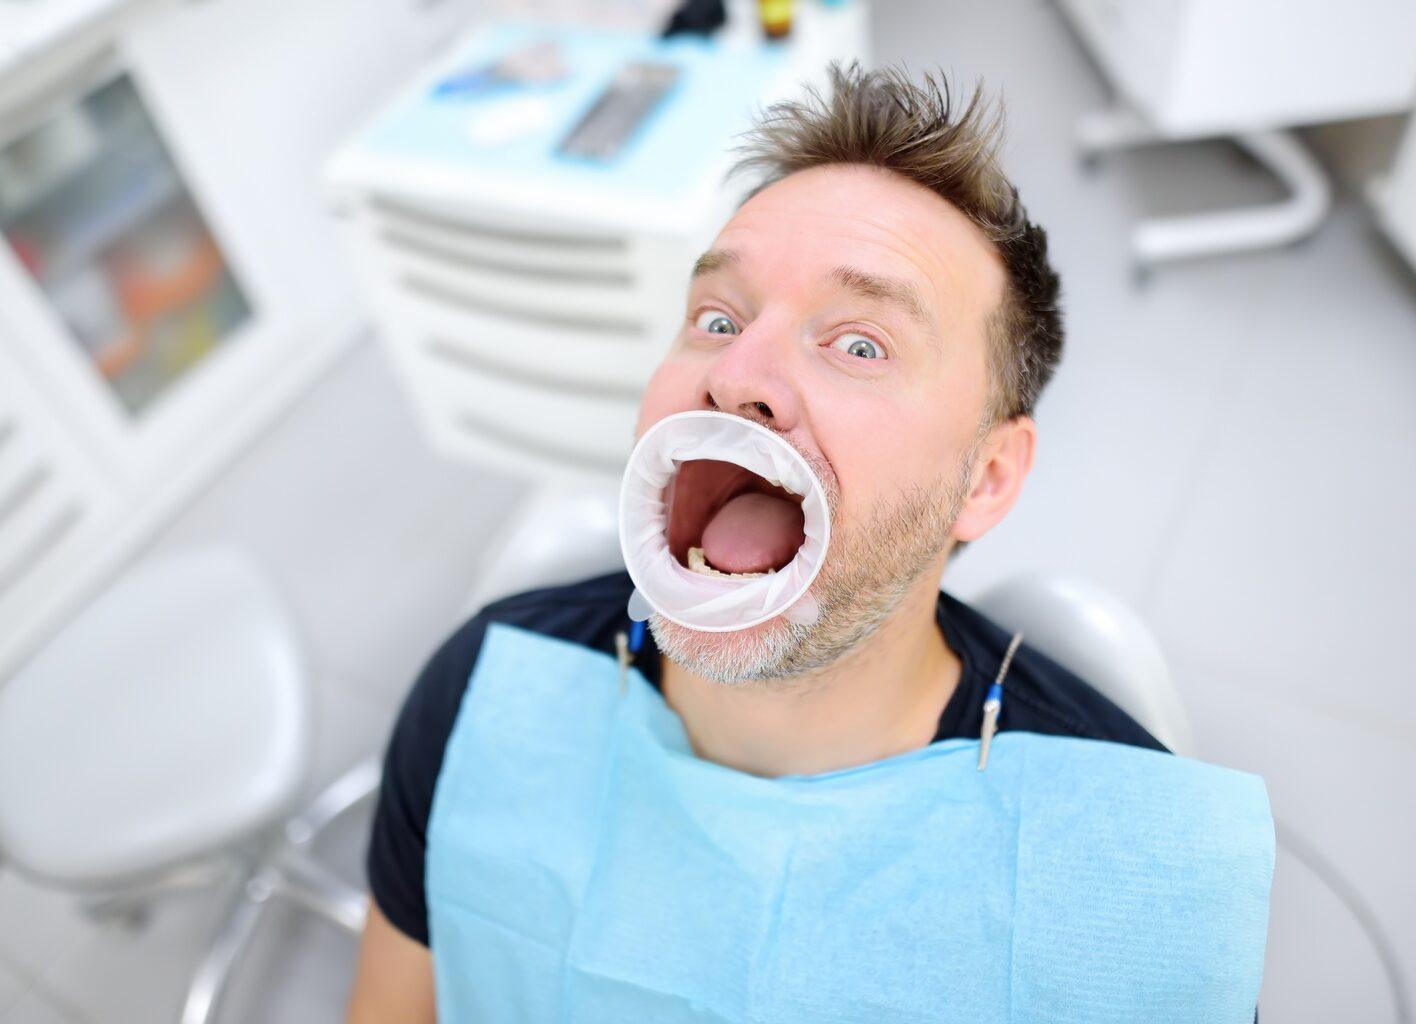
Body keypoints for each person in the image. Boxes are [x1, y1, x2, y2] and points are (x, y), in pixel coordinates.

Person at [346, 63, 1179, 1022]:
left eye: (859, 343)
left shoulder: (1122, 877)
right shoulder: (480, 697)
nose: (737, 373)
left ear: (985, 478)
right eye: (716, 318)